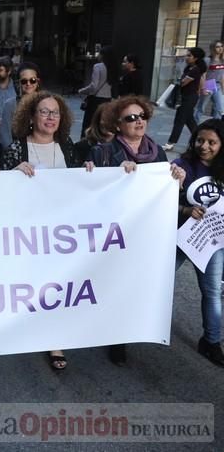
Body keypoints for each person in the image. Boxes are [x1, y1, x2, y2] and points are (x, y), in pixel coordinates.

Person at [89, 95, 187, 365]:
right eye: (130, 118)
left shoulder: (158, 153)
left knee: (139, 285)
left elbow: (167, 197)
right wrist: (115, 176)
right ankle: (116, 337)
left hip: (146, 234)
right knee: (116, 284)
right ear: (117, 125)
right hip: (115, 234)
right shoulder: (103, 152)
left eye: (141, 116)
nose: (138, 121)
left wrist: (176, 181)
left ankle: (137, 327)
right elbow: (89, 194)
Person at [0, 92, 78, 371]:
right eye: (44, 112)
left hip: (60, 233)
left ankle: (54, 340)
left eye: (55, 112)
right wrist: (11, 172)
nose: (51, 117)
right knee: (28, 283)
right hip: (27, 232)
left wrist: (91, 172)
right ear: (31, 117)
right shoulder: (17, 149)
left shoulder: (68, 147)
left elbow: (85, 186)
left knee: (55, 285)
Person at [173, 119, 224, 366]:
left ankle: (212, 342)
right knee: (156, 281)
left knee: (212, 292)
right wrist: (184, 208)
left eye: (212, 142)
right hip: (179, 237)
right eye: (200, 140)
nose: (204, 146)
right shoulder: (181, 165)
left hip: (211, 241)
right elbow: (161, 197)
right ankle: (130, 331)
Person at [164, 47, 207, 152]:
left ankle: (171, 143)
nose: (186, 57)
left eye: (189, 55)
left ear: (195, 58)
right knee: (190, 121)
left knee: (179, 120)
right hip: (186, 97)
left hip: (189, 98)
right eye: (187, 55)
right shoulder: (189, 68)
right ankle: (201, 139)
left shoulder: (195, 70)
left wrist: (180, 81)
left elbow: (183, 83)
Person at [0, 62, 41, 155]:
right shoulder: (10, 105)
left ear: (38, 81)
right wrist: (14, 155)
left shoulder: (47, 103)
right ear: (19, 83)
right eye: (24, 81)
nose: (28, 84)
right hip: (17, 155)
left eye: (32, 80)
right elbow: (5, 137)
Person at [79, 46, 117, 134]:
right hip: (107, 99)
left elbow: (94, 86)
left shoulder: (98, 66)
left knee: (89, 123)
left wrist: (82, 90)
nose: (98, 55)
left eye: (100, 53)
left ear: (103, 55)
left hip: (96, 99)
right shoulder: (113, 68)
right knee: (101, 124)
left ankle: (86, 143)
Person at [195, 41, 224, 123]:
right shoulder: (207, 60)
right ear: (213, 48)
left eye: (221, 46)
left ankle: (215, 126)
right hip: (209, 83)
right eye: (217, 47)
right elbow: (203, 75)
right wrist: (203, 88)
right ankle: (194, 125)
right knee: (201, 107)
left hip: (218, 85)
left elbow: (222, 75)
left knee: (220, 108)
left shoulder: (223, 60)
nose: (220, 48)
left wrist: (223, 89)